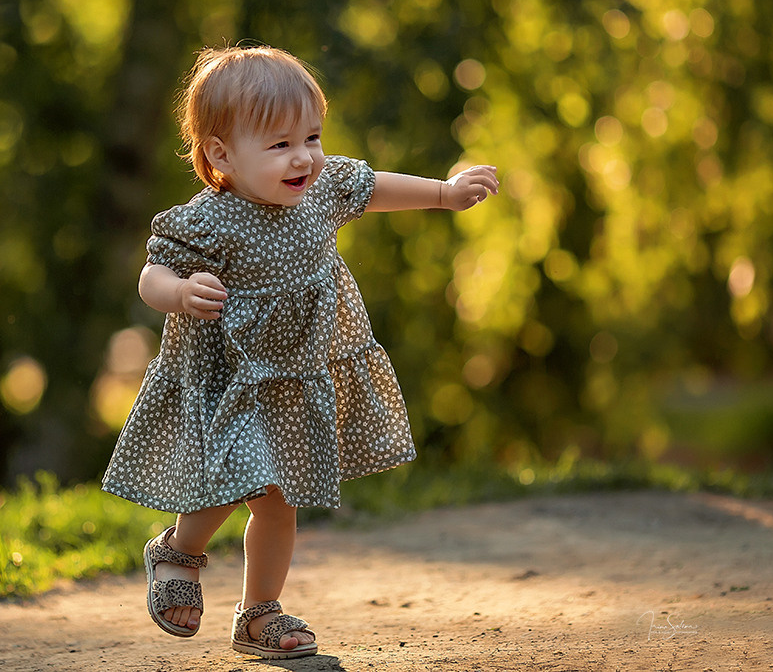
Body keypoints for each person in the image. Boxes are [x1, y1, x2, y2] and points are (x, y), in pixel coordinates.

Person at [101, 44, 499, 659]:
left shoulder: (322, 189)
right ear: (221, 155)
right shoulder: (211, 219)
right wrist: (179, 292)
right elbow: (150, 278)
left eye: (310, 137)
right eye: (280, 144)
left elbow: (375, 188)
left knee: (280, 501)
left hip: (299, 376)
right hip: (234, 379)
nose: (303, 157)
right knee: (231, 484)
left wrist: (445, 193)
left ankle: (259, 613)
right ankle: (178, 550)